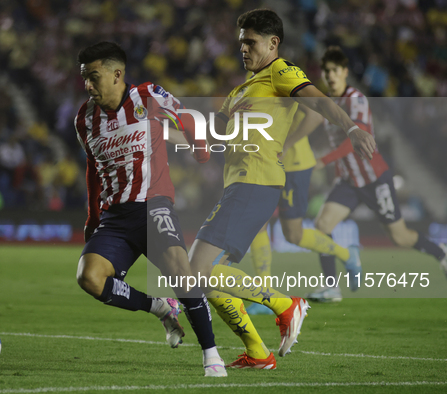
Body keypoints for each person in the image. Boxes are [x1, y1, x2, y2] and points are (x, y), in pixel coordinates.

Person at [187, 9, 377, 370]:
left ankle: (285, 304)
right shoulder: (240, 90)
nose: (243, 48)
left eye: (251, 42)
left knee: (194, 269)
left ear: (273, 43)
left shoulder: (280, 71)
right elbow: (212, 138)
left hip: (256, 183)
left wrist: (351, 128)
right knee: (206, 278)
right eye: (241, 41)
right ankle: (259, 353)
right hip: (239, 187)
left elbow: (316, 101)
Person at [73, 41, 227, 377]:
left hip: (153, 204)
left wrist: (201, 151)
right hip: (115, 218)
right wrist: (92, 218)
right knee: (89, 277)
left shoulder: (148, 96)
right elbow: (93, 170)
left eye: (93, 77)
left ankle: (211, 354)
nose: (87, 85)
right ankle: (159, 307)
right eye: (84, 78)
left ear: (117, 74)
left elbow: (187, 116)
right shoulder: (84, 119)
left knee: (181, 273)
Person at [302, 46, 447, 302]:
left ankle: (441, 252)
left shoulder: (355, 98)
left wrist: (323, 161)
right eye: (326, 71)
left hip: (374, 178)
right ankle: (332, 287)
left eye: (335, 70)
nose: (330, 76)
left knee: (400, 236)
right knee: (322, 225)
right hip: (348, 180)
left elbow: (354, 139)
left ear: (345, 72)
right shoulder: (328, 103)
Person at [246, 104, 361, 315]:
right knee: (257, 223)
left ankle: (347, 255)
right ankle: (264, 294)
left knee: (293, 235)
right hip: (268, 162)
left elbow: (315, 116)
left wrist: (287, 144)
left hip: (294, 165)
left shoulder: (282, 75)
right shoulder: (251, 77)